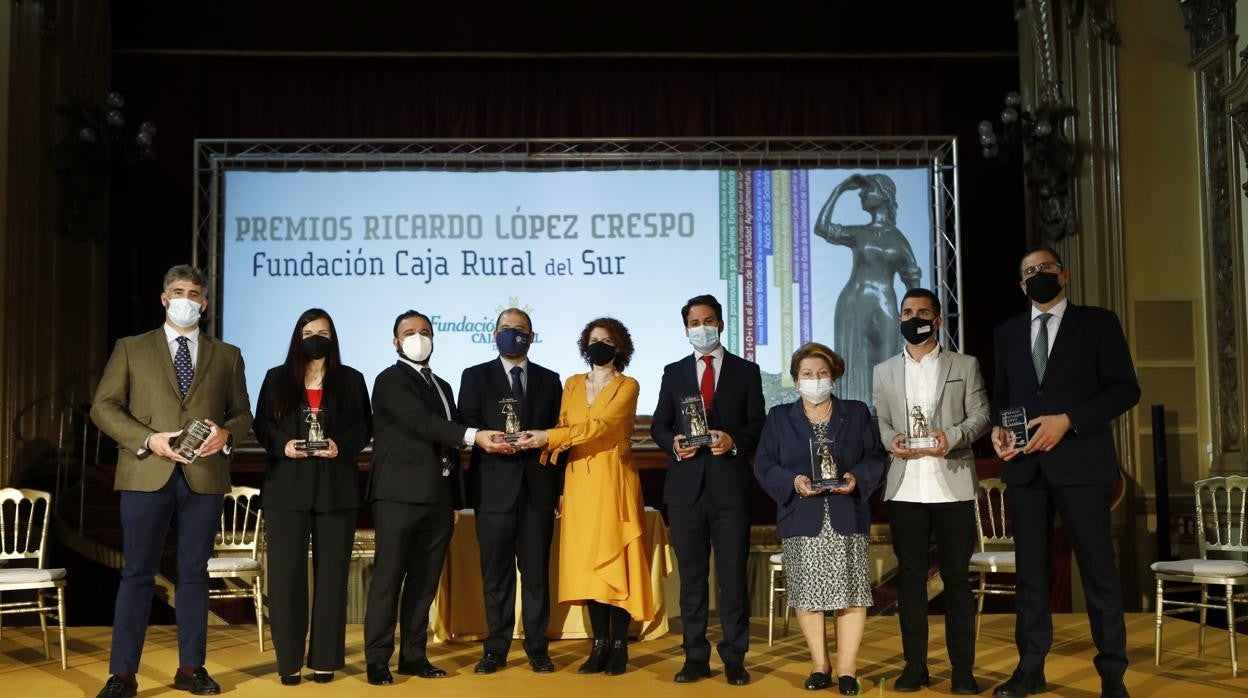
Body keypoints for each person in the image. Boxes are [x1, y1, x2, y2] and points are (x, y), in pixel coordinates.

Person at [89, 264, 252, 698]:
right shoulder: (130, 348)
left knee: (194, 574)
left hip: (203, 477)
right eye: (178, 291)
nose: (186, 298)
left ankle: (191, 668)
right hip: (146, 473)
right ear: (164, 298)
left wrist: (227, 435)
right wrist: (148, 439)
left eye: (194, 292)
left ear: (204, 302)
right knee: (137, 575)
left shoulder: (228, 354)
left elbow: (243, 414)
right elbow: (103, 407)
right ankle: (122, 675)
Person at [989, 247, 1139, 698]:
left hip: (1082, 465)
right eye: (1028, 272)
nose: (1037, 276)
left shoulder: (1098, 323)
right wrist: (998, 430)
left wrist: (1068, 420)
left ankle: (1112, 674)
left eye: (1044, 269)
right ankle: (1030, 668)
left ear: (1064, 274)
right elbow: (1002, 395)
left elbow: (1125, 389)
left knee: (1098, 572)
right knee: (1031, 575)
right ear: (1020, 286)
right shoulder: (1007, 332)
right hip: (1025, 470)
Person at [362, 310, 508, 686]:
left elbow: (449, 446)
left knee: (425, 583)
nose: (418, 337)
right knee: (389, 579)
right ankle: (378, 659)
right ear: (395, 341)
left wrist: (456, 501)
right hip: (398, 496)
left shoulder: (442, 384)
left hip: (439, 498)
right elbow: (423, 424)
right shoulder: (389, 381)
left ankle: (414, 655)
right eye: (409, 332)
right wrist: (475, 435)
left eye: (425, 331)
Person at [516, 318, 654, 676]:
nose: (599, 346)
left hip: (613, 479)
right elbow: (565, 428)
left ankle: (620, 645)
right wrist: (549, 463)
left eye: (607, 341)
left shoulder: (628, 385)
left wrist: (547, 437)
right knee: (590, 564)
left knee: (614, 558)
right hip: (578, 481)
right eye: (593, 340)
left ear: (620, 347)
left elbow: (603, 426)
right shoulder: (573, 384)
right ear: (584, 345)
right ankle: (599, 644)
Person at [872, 288, 990, 694]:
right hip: (906, 487)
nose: (914, 318)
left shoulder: (965, 364)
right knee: (910, 580)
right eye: (907, 312)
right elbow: (882, 421)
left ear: (938, 320)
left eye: (923, 312)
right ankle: (915, 666)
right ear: (899, 318)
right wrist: (892, 441)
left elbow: (981, 417)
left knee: (957, 580)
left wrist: (952, 436)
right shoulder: (884, 370)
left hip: (952, 484)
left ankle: (962, 670)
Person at [754, 342, 884, 696]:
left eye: (822, 374)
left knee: (852, 595)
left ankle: (847, 670)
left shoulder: (856, 413)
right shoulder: (780, 418)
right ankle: (819, 665)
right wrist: (793, 482)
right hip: (803, 516)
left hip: (846, 515)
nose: (815, 380)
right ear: (796, 381)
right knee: (809, 595)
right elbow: (764, 464)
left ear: (834, 377)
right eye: (807, 374)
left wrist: (857, 478)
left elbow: (875, 457)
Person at [252, 308, 372, 686]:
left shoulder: (351, 379)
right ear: (297, 337)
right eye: (308, 331)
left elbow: (364, 425)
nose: (315, 337)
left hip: (336, 489)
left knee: (332, 578)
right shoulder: (276, 378)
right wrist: (282, 444)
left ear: (333, 337)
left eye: (322, 331)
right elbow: (262, 425)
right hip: (286, 489)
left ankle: (324, 660)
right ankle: (288, 662)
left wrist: (343, 445)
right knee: (285, 580)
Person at [650, 294, 764, 686]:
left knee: (732, 578)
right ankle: (695, 656)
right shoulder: (673, 372)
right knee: (693, 579)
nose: (702, 327)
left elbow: (757, 425)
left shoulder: (747, 372)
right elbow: (659, 425)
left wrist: (733, 441)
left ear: (720, 324)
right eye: (695, 322)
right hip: (685, 490)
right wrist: (674, 445)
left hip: (729, 488)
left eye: (709, 320)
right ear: (686, 330)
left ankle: (735, 656)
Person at [458, 308, 563, 674]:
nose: (512, 334)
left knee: (536, 574)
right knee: (496, 575)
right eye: (505, 329)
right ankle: (496, 649)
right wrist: (489, 440)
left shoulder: (551, 381)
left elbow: (560, 439)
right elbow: (466, 426)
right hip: (493, 490)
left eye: (519, 330)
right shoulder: (475, 377)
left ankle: (537, 648)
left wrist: (560, 490)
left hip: (537, 491)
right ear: (494, 334)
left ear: (531, 336)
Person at [814, 173, 921, 405]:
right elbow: (821, 228)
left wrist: (912, 325)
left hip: (886, 306)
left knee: (887, 368)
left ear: (883, 194)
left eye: (868, 188)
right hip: (853, 304)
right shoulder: (859, 233)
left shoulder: (899, 240)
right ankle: (852, 421)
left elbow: (914, 287)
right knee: (851, 367)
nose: (861, 193)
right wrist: (839, 189)